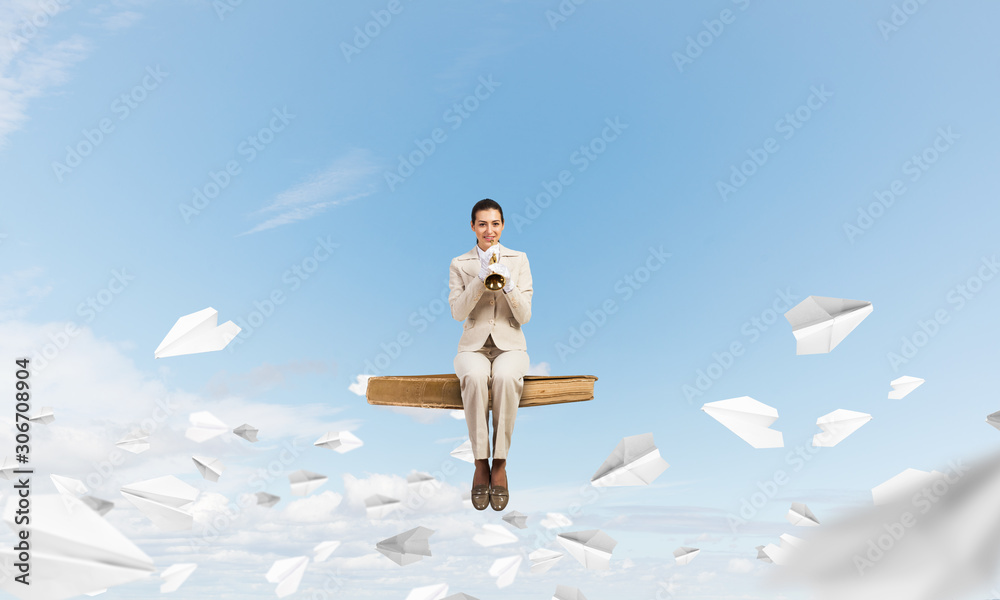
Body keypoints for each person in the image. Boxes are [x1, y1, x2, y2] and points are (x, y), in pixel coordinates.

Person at [449, 199, 532, 511]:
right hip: (472, 346)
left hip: (511, 345)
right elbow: (458, 313)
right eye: (482, 224)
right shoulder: (459, 263)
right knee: (473, 376)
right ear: (472, 226)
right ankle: (480, 462)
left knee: (507, 377)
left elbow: (525, 316)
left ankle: (500, 463)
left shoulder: (519, 259)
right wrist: (478, 278)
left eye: (495, 223)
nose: (489, 230)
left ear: (503, 225)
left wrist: (508, 283)